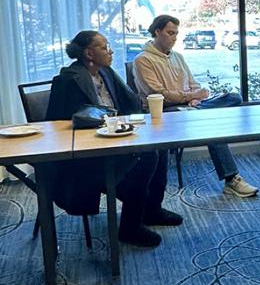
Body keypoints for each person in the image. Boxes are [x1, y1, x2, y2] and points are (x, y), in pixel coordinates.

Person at [46, 31, 182, 248]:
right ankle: (130, 227)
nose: (110, 51)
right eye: (104, 47)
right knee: (146, 159)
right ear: (88, 53)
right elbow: (55, 124)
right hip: (87, 153)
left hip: (116, 139)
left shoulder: (106, 73)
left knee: (158, 149)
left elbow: (129, 102)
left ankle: (151, 210)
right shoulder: (68, 80)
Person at [133, 15, 258, 198]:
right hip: (165, 111)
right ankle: (231, 179)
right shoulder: (142, 60)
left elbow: (194, 85)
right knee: (207, 123)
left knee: (233, 97)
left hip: (190, 107)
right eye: (170, 33)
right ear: (157, 32)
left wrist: (196, 98)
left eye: (176, 33)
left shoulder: (178, 57)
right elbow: (160, 95)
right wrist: (191, 96)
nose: (174, 38)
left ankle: (198, 111)